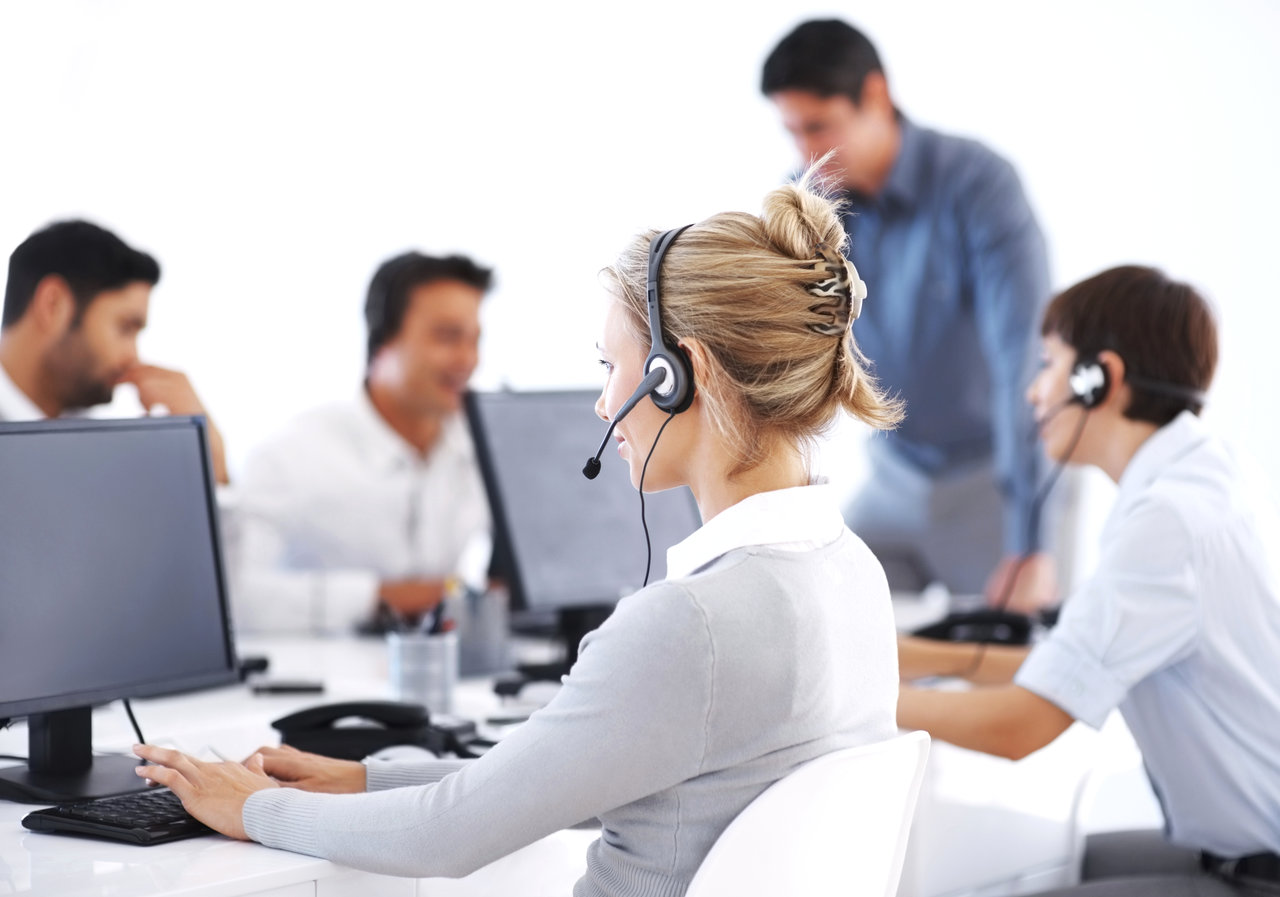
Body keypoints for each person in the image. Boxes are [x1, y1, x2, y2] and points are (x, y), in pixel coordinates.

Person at [134, 171, 904, 894]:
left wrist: (249, 808)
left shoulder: (689, 625)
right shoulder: (853, 573)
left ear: (678, 373)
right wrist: (364, 778)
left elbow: (447, 836)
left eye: (613, 365)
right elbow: (571, 774)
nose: (605, 404)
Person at [897, 266, 1280, 895]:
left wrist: (855, 701)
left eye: (1048, 363)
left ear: (1099, 379)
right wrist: (901, 655)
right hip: (1241, 848)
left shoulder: (1168, 523)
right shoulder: (1207, 475)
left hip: (1257, 871)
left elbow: (1019, 726)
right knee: (1052, 867)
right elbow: (1063, 657)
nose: (1033, 392)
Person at [762, 19, 1056, 612]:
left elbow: (1020, 363)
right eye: (792, 131)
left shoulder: (979, 185)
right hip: (896, 475)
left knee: (1006, 673)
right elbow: (780, 357)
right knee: (828, 621)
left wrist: (1030, 542)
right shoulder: (806, 202)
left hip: (993, 481)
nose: (805, 153)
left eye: (818, 127)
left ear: (875, 95)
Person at [232, 252, 493, 634]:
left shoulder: (476, 448)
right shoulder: (292, 455)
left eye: (474, 340)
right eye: (448, 337)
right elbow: (236, 598)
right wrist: (380, 597)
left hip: (448, 676)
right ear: (382, 340)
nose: (469, 360)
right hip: (324, 682)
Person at [0, 219, 229, 483]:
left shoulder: (98, 456)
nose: (132, 357)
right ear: (53, 305)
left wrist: (210, 464)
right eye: (125, 328)